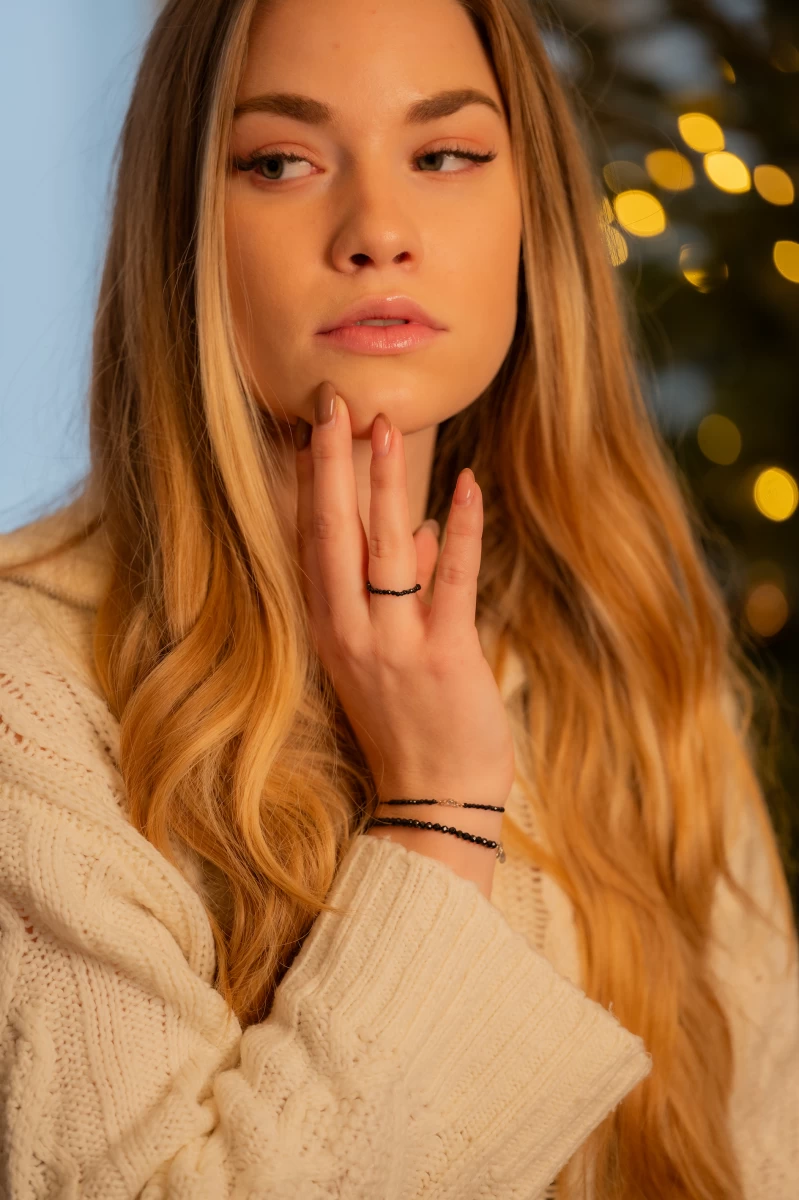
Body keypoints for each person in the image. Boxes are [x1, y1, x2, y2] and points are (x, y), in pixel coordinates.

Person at [0, 0, 796, 1196]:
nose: (377, 230)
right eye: (281, 162)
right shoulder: (30, 702)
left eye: (445, 155)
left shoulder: (628, 650)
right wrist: (436, 819)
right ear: (185, 225)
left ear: (528, 214)